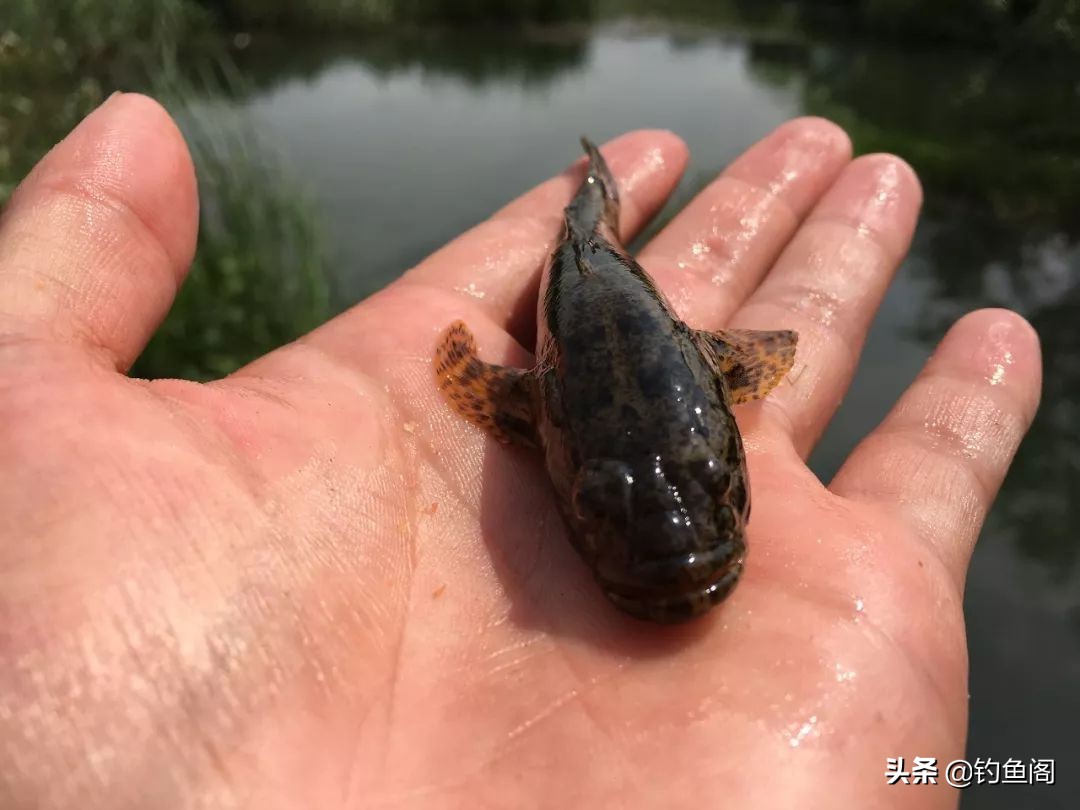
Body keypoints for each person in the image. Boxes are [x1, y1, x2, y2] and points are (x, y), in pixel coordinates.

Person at [0, 93, 1040, 809]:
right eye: (597, 501)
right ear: (533, 418)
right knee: (589, 224)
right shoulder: (537, 401)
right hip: (594, 307)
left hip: (631, 326)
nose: (680, 552)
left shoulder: (623, 394)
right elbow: (479, 374)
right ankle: (593, 188)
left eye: (715, 485)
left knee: (600, 235)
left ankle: (596, 189)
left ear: (726, 395)